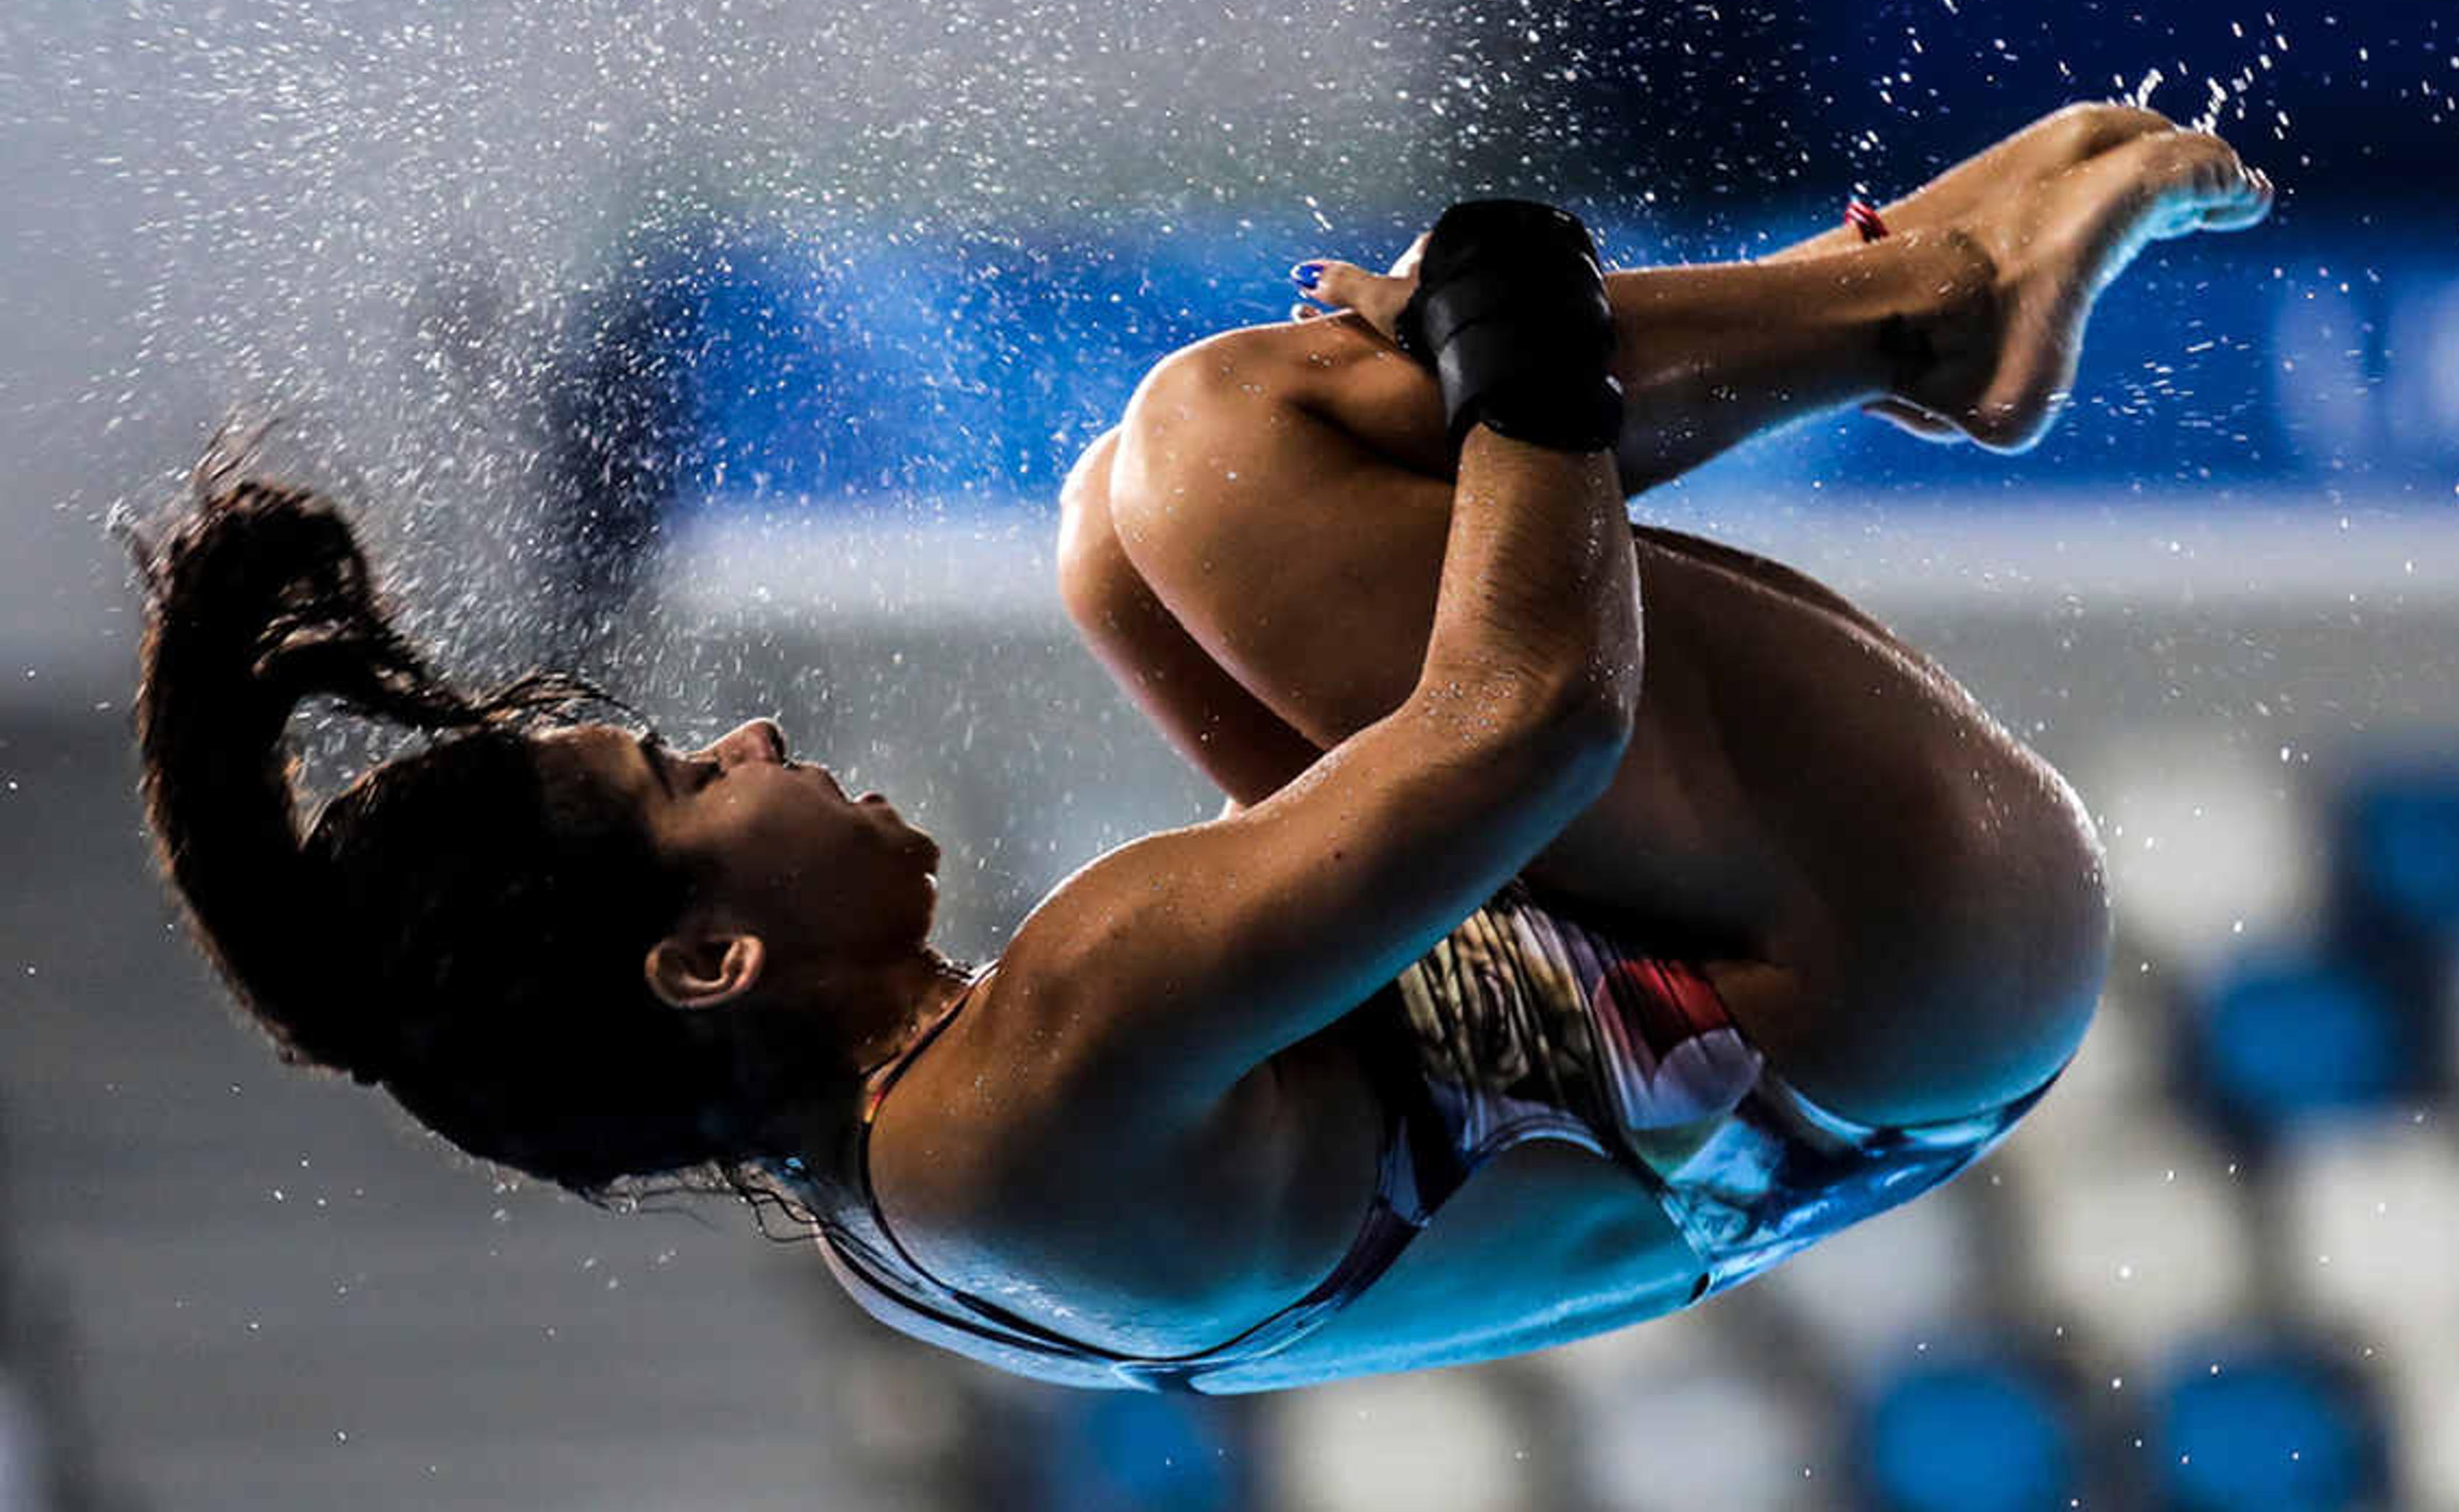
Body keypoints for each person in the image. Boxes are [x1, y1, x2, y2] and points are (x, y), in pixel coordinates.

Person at [131, 103, 2270, 1393]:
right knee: (1220, 458)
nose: (757, 731)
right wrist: (1518, 319)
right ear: (707, 959)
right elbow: (1533, 720)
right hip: (1900, 960)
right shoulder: (1035, 1066)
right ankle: (1915, 306)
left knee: (1122, 545)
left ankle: (1916, 308)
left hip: (1797, 1044)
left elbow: (1454, 902)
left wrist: (1486, 382)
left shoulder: (926, 1190)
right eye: (696, 772)